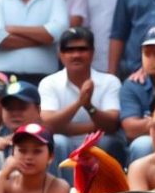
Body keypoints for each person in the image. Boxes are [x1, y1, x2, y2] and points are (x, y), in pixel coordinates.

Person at [39, 27, 124, 168]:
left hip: (99, 141)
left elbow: (112, 125)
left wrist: (89, 107)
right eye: (69, 50)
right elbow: (49, 125)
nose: (76, 55)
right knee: (58, 141)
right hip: (65, 142)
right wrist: (80, 102)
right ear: (60, 54)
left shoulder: (110, 81)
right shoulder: (49, 82)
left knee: (107, 141)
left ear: (92, 52)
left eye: (82, 49)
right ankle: (65, 189)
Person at [121, 26, 155, 164]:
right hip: (148, 140)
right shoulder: (132, 85)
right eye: (147, 53)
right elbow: (130, 129)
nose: (152, 59)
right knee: (143, 144)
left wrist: (147, 123)